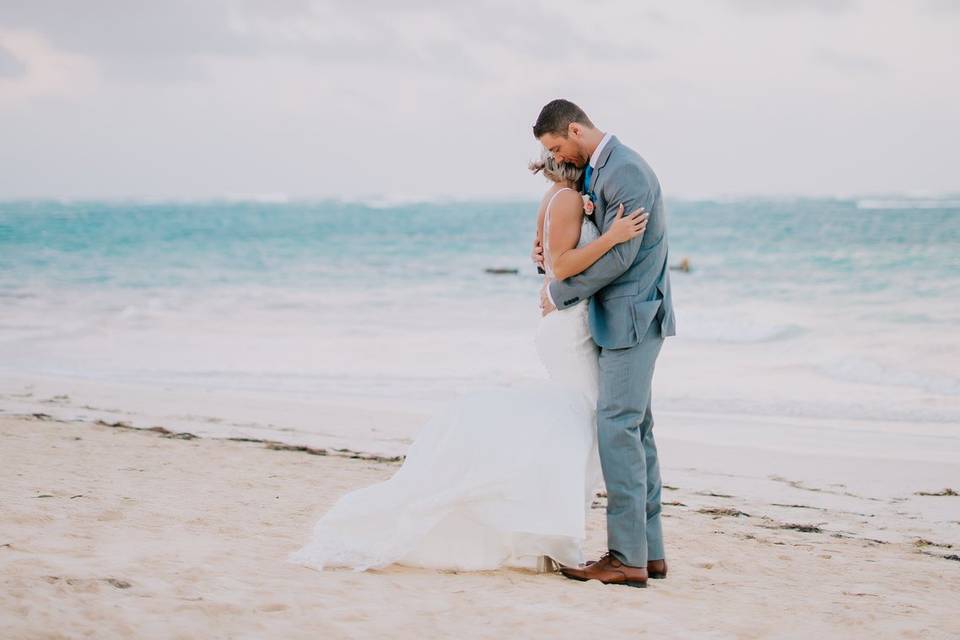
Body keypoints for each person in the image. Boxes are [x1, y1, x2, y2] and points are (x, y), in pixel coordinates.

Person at [288, 150, 648, 577]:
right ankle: (554, 536)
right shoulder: (567, 200)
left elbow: (545, 257)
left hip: (566, 326)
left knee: (577, 426)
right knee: (581, 425)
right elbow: (561, 265)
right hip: (568, 328)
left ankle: (550, 537)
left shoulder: (555, 198)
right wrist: (613, 236)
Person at [535, 99, 676, 587]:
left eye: (558, 147)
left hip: (632, 317)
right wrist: (552, 253)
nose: (558, 158)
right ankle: (648, 553)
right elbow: (580, 243)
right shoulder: (597, 170)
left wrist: (560, 291)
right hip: (618, 317)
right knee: (636, 430)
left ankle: (625, 558)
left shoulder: (627, 171)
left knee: (617, 427)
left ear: (575, 129)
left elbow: (620, 258)